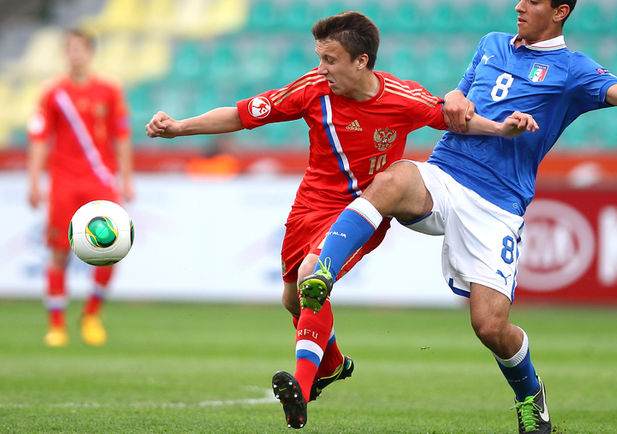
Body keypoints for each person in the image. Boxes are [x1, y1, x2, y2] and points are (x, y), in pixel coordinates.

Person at [298, 2, 617, 432]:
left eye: (533, 1)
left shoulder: (573, 69)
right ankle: (324, 271)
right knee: (393, 180)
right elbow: (456, 100)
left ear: (559, 12)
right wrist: (457, 97)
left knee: (490, 326)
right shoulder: (491, 44)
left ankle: (530, 396)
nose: (519, 5)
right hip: (446, 173)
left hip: (497, 204)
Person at [144, 11, 537, 430]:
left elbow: (456, 118)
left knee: (316, 273)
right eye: (320, 58)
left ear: (361, 61)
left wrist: (501, 129)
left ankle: (301, 385)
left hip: (365, 211)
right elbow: (243, 114)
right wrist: (179, 128)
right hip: (310, 206)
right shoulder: (311, 90)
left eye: (330, 59)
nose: (320, 68)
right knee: (293, 300)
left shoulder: (403, 98)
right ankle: (332, 364)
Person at [27, 28, 134, 348]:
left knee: (113, 250)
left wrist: (126, 178)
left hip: (100, 179)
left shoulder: (110, 90)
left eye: (80, 48)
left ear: (91, 52)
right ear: (65, 53)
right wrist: (34, 180)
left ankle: (91, 314)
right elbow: (39, 139)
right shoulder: (52, 92)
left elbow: (122, 135)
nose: (75, 54)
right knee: (58, 252)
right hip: (63, 181)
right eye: (70, 48)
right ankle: (56, 325)